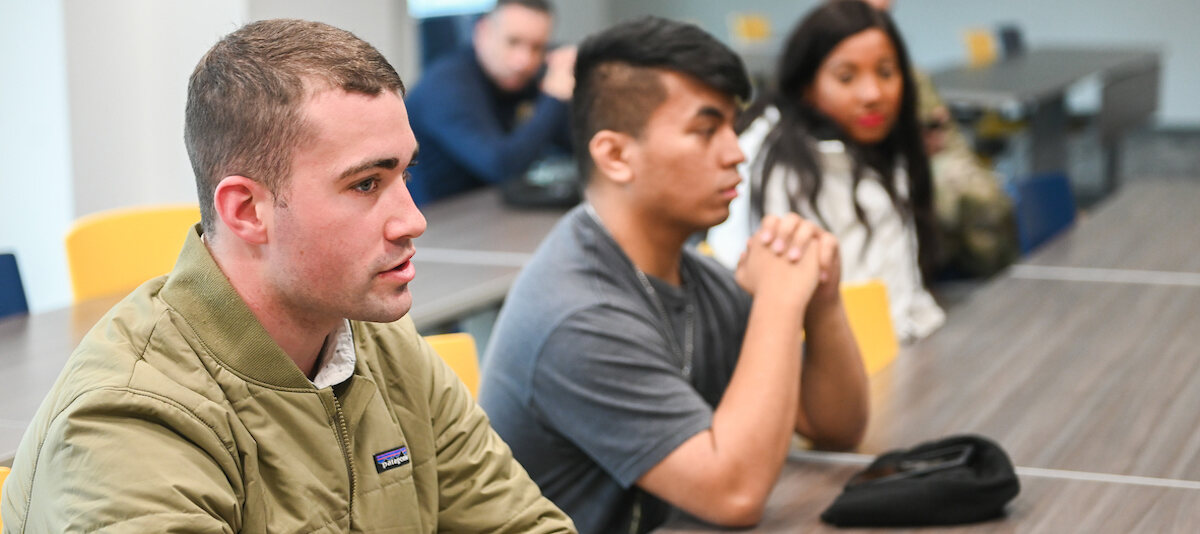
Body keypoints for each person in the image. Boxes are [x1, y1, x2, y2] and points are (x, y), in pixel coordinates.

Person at [0, 19, 574, 533]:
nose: (413, 219)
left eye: (405, 173)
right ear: (247, 210)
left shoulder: (380, 346)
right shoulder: (129, 423)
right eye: (367, 184)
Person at [479, 17, 869, 534]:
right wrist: (778, 300)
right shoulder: (578, 314)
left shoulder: (692, 276)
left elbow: (834, 427)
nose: (736, 153)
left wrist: (819, 301)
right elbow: (735, 495)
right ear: (616, 155)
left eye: (733, 126)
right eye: (706, 131)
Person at [708, 0, 945, 342]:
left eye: (886, 72)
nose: (872, 94)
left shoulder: (884, 149)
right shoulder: (780, 166)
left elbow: (900, 291)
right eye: (846, 77)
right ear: (807, 85)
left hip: (897, 351)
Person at [858, 0, 1018, 277]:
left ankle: (989, 270)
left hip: (929, 158)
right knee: (973, 198)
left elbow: (941, 134)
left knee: (985, 197)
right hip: (890, 165)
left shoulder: (910, 73)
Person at [405, 0, 575, 205]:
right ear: (483, 33)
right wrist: (554, 96)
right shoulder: (447, 86)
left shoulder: (519, 80)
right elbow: (502, 167)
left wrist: (575, 89)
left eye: (537, 47)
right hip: (433, 223)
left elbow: (572, 143)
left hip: (485, 211)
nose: (524, 61)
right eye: (513, 42)